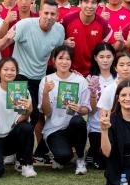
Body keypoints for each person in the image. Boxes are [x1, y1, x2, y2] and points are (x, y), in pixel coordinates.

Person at [0, 0, 66, 127]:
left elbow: (57, 56)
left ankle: (38, 139)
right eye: (46, 13)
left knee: (39, 116)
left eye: (53, 14)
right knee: (20, 113)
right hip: (20, 75)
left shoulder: (59, 30)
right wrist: (6, 38)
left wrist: (65, 73)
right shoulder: (24, 25)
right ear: (40, 13)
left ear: (57, 15)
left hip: (40, 77)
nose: (49, 17)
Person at [0, 57, 37, 179]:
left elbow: (21, 121)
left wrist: (29, 111)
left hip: (11, 137)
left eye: (13, 69)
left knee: (26, 127)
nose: (9, 72)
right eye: (5, 69)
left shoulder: (21, 91)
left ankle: (26, 164)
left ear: (17, 72)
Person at [39, 45, 91, 174]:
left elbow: (87, 109)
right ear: (54, 60)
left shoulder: (80, 80)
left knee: (78, 121)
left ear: (71, 61)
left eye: (68, 59)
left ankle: (80, 159)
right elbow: (46, 112)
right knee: (63, 156)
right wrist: (45, 93)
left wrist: (80, 109)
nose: (64, 62)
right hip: (54, 129)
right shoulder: (47, 80)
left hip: (73, 127)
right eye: (61, 58)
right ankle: (62, 153)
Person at [63, 0, 113, 76]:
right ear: (80, 3)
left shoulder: (103, 23)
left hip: (94, 73)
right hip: (70, 71)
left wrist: (122, 42)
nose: (89, 6)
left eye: (93, 2)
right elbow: (55, 43)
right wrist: (63, 42)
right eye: (86, 2)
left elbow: (112, 47)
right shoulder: (68, 20)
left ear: (98, 4)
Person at [86, 43, 117, 169]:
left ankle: (92, 154)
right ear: (95, 58)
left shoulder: (119, 78)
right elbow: (92, 110)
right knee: (102, 164)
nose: (105, 60)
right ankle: (92, 152)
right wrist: (93, 93)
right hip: (96, 128)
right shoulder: (90, 79)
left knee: (114, 159)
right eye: (101, 57)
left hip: (116, 126)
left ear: (114, 57)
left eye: (108, 56)